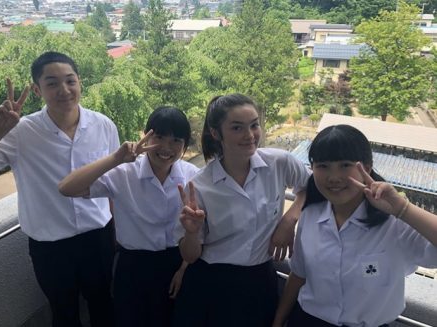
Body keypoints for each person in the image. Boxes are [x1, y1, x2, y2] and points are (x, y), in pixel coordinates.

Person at [0, 52, 119, 327]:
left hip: (99, 239)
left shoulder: (103, 125)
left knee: (104, 307)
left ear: (80, 82)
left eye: (70, 81)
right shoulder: (21, 132)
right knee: (64, 314)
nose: (64, 90)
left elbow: (116, 182)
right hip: (51, 247)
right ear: (37, 89)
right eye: (52, 83)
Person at [273, 124, 437, 327]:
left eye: (345, 165)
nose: (333, 177)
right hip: (307, 320)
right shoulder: (310, 215)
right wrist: (279, 320)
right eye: (323, 166)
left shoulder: (394, 224)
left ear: (366, 168)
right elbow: (299, 274)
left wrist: (403, 209)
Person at [172, 94, 310, 327]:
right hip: (211, 282)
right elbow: (190, 255)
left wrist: (289, 220)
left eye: (254, 125)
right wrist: (193, 232)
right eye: (237, 128)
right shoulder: (200, 185)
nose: (250, 135)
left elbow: (310, 188)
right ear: (216, 133)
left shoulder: (279, 163)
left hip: (259, 279)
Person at [58, 106, 199, 327]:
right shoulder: (124, 173)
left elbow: (199, 231)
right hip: (134, 266)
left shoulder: (192, 175)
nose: (166, 148)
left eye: (176, 141)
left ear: (185, 144)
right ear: (146, 135)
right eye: (159, 137)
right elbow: (67, 188)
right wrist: (115, 158)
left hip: (178, 262)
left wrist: (184, 269)